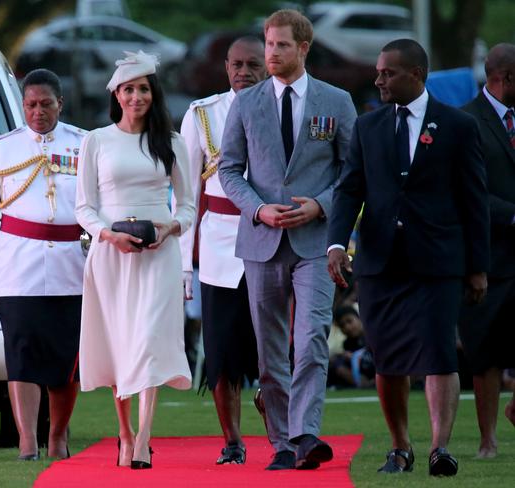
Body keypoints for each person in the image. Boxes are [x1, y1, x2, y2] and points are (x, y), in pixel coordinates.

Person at [327, 39, 489, 476]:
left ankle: (440, 449)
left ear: (416, 74)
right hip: (380, 262)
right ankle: (400, 448)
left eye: (388, 72)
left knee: (439, 352)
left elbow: (474, 200)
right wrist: (337, 244)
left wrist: (478, 266)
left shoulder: (457, 126)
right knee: (387, 357)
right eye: (378, 72)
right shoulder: (368, 127)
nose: (378, 78)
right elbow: (349, 190)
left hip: (438, 260)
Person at [219, 10, 357, 470]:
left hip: (316, 241)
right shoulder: (246, 102)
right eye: (268, 44)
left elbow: (352, 173)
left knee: (313, 337)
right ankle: (281, 442)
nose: (270, 53)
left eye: (280, 45)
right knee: (270, 351)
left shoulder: (336, 101)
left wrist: (320, 204)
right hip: (260, 241)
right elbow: (229, 170)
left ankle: (305, 435)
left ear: (304, 48)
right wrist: (258, 208)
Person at [75, 51, 195, 469]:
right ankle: (124, 434)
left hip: (159, 254)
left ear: (153, 94)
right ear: (117, 94)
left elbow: (188, 207)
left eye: (144, 89)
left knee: (147, 340)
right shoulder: (96, 141)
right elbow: (84, 208)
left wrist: (168, 229)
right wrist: (109, 235)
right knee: (119, 344)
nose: (137, 96)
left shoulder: (172, 142)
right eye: (129, 89)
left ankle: (144, 438)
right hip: (111, 256)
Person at [0, 69, 87, 460]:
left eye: (45, 104)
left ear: (60, 105)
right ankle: (26, 441)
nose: (38, 112)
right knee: (21, 354)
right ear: (23, 106)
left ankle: (57, 436)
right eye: (31, 105)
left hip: (71, 267)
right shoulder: (1, 149)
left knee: (65, 359)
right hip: (16, 266)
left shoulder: (83, 144)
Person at [179, 36, 265, 465]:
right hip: (219, 246)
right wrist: (182, 264)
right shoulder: (202, 114)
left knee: (275, 347)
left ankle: (283, 435)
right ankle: (232, 440)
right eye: (236, 64)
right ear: (226, 67)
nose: (243, 72)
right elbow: (186, 194)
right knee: (221, 351)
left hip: (272, 241)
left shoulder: (283, 107)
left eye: (252, 64)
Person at [457, 42, 515, 459]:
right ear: (505, 77)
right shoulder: (465, 122)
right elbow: (467, 193)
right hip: (487, 254)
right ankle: (487, 441)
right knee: (486, 352)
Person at [328, 305, 375, 388]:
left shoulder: (373, 335)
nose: (347, 327)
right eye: (342, 325)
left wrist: (357, 357)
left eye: (349, 321)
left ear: (359, 318)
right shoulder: (347, 343)